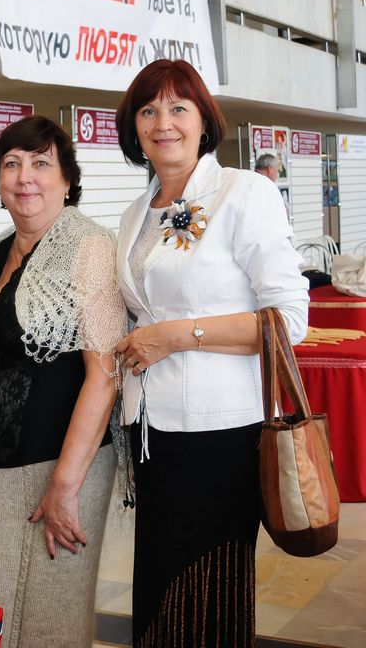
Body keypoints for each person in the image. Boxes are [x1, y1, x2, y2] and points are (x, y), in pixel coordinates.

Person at [113, 59, 308, 647]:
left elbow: (289, 320)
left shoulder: (243, 192)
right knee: (157, 592)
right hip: (151, 433)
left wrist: (178, 335)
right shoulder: (135, 213)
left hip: (222, 434)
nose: (163, 123)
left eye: (179, 108)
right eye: (148, 110)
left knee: (208, 598)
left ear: (204, 121)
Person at [0, 115, 125, 647]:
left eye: (41, 163)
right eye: (12, 164)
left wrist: (64, 488)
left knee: (49, 621)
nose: (25, 176)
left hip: (57, 467)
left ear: (67, 179)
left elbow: (105, 375)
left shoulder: (89, 246)